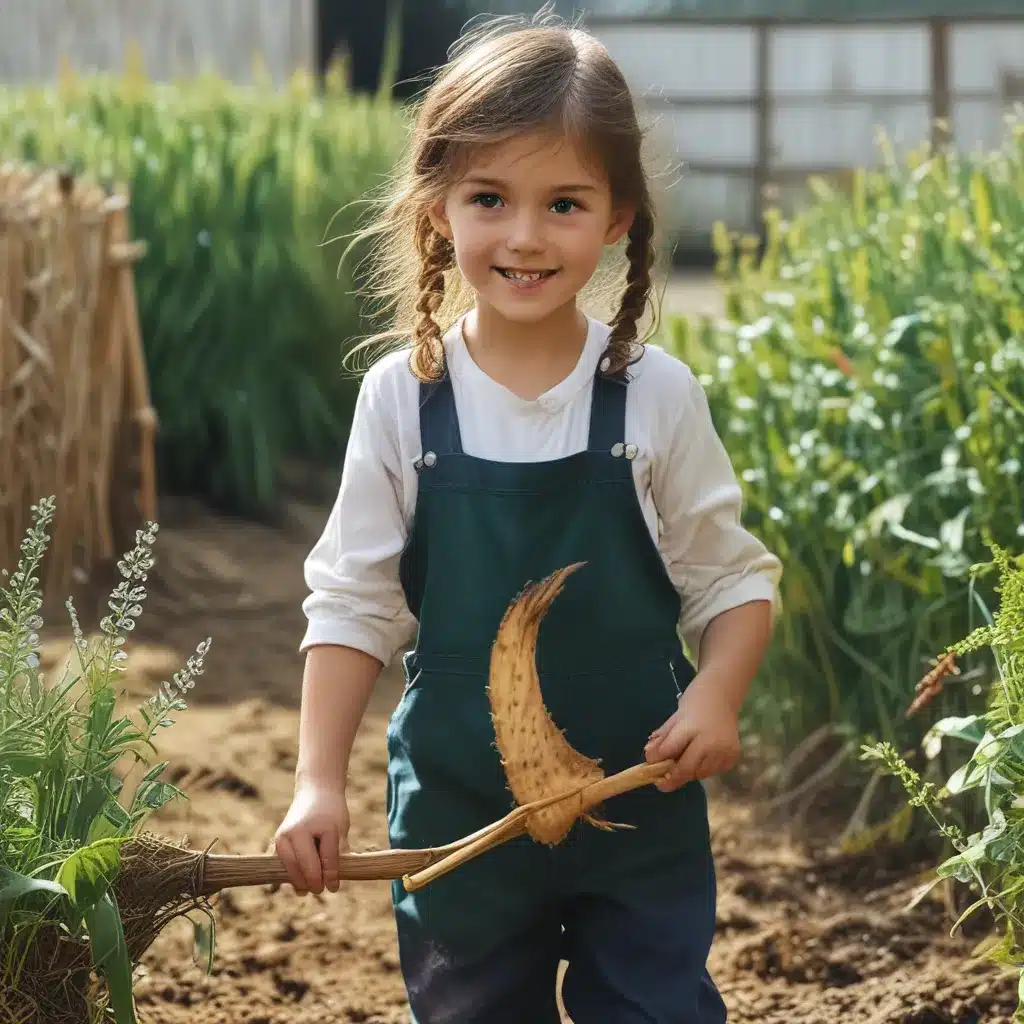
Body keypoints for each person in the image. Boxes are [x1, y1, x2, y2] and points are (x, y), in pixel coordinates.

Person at [274, 8, 782, 1022]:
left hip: (639, 812)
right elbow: (351, 606)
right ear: (437, 207)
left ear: (618, 216)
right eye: (489, 198)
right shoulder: (401, 400)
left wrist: (718, 694)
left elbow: (733, 580)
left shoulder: (651, 396)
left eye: (563, 203)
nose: (523, 234)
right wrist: (316, 784)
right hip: (462, 825)